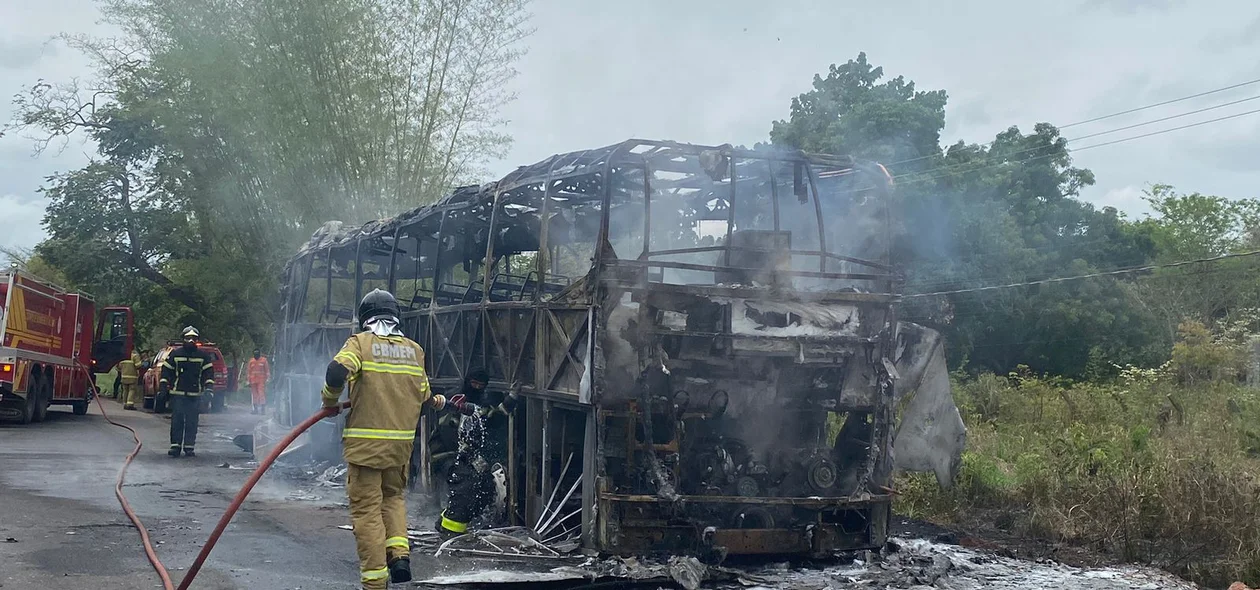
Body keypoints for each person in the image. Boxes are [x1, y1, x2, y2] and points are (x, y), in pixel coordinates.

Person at [321, 288, 466, 589]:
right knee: (394, 500)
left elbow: (335, 372)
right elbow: (424, 395)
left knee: (367, 512)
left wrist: (330, 402)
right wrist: (438, 400)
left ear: (365, 318)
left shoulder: (360, 344)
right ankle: (400, 557)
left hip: (365, 448)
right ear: (395, 316)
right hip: (400, 448)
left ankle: (375, 581)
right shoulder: (414, 350)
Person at [160, 327, 215, 458]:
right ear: (183, 339)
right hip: (177, 394)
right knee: (177, 421)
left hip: (194, 396)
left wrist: (208, 390)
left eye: (193, 339)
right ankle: (175, 446)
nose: (190, 341)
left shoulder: (203, 357)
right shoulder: (175, 354)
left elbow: (209, 375)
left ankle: (189, 447)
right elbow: (166, 371)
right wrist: (163, 388)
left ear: (197, 340)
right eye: (188, 338)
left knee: (192, 422)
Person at [247, 349, 271, 414]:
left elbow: (267, 370)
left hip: (261, 380)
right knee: (254, 395)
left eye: (257, 353)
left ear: (259, 354)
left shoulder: (264, 360)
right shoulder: (251, 361)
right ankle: (255, 409)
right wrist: (248, 381)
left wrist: (268, 378)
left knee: (261, 394)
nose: (256, 355)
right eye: (255, 354)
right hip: (253, 381)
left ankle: (263, 410)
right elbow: (249, 371)